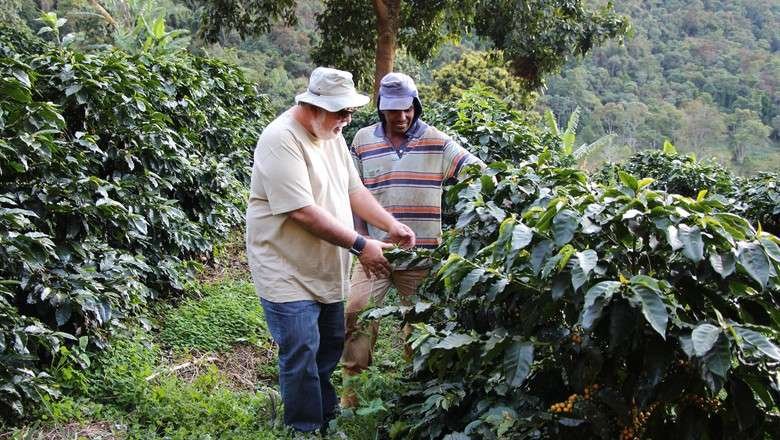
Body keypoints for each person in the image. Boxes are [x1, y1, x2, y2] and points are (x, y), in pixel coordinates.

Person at [245, 67, 415, 434]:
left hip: (323, 265)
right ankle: (304, 427)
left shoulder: (332, 135)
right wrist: (361, 244)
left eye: (349, 112)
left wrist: (389, 225)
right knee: (301, 348)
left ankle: (324, 415)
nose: (347, 120)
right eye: (341, 112)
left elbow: (354, 191)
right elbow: (301, 211)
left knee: (328, 346)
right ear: (314, 106)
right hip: (284, 267)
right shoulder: (280, 139)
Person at [341, 72, 484, 407]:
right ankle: (353, 396)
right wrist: (361, 240)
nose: (401, 117)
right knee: (356, 314)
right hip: (374, 253)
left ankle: (414, 395)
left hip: (421, 256)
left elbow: (478, 174)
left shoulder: (437, 141)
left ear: (416, 105)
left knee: (420, 327)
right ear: (381, 109)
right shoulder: (362, 140)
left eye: (407, 109)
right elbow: (351, 192)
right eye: (393, 110)